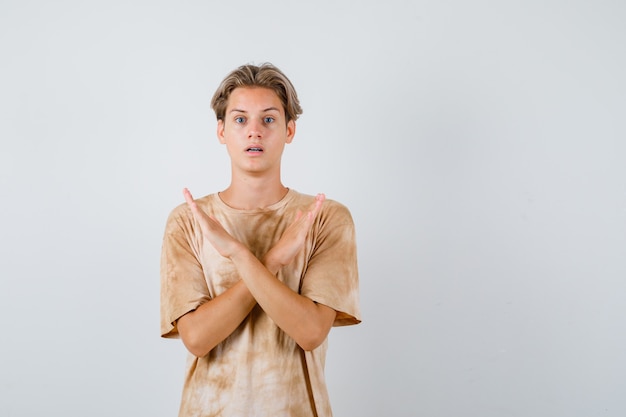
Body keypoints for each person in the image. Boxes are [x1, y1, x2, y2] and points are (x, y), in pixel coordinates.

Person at [160, 63, 361, 417]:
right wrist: (268, 261)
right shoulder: (190, 222)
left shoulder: (324, 218)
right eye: (240, 120)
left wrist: (238, 255)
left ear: (289, 130)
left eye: (268, 120)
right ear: (221, 131)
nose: (254, 131)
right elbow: (197, 338)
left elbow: (311, 331)